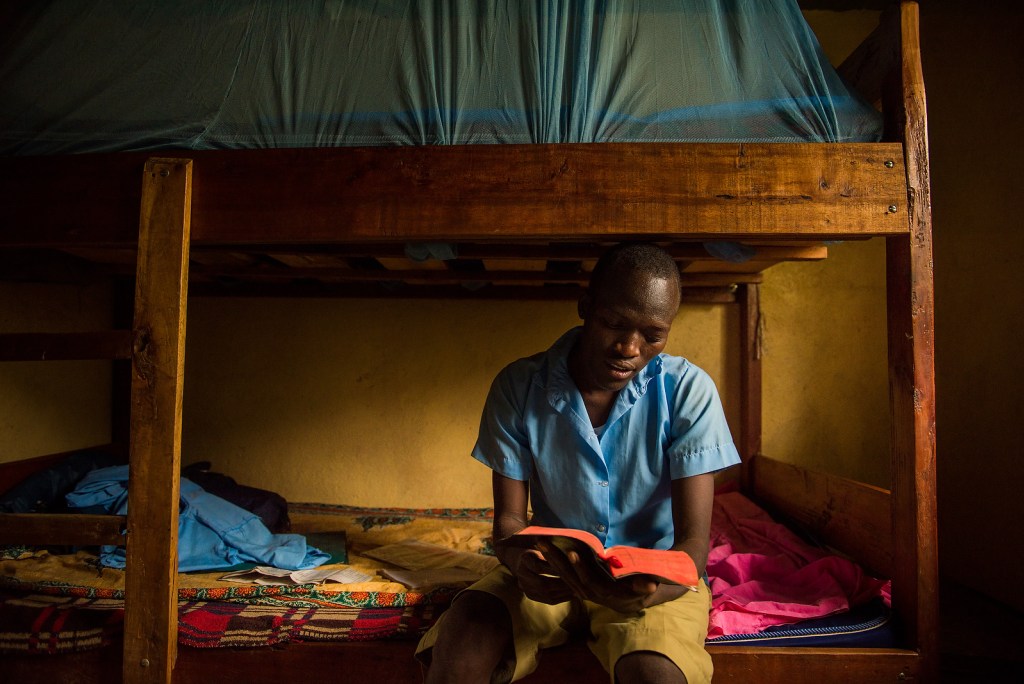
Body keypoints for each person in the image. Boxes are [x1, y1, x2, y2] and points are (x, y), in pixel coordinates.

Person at [416, 242, 740, 684]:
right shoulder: (519, 386)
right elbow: (509, 523)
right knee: (466, 631)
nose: (629, 347)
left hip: (651, 587)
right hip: (551, 572)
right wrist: (522, 565)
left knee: (656, 674)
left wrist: (647, 595)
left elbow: (692, 548)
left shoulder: (688, 392)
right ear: (585, 307)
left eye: (653, 334)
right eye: (613, 323)